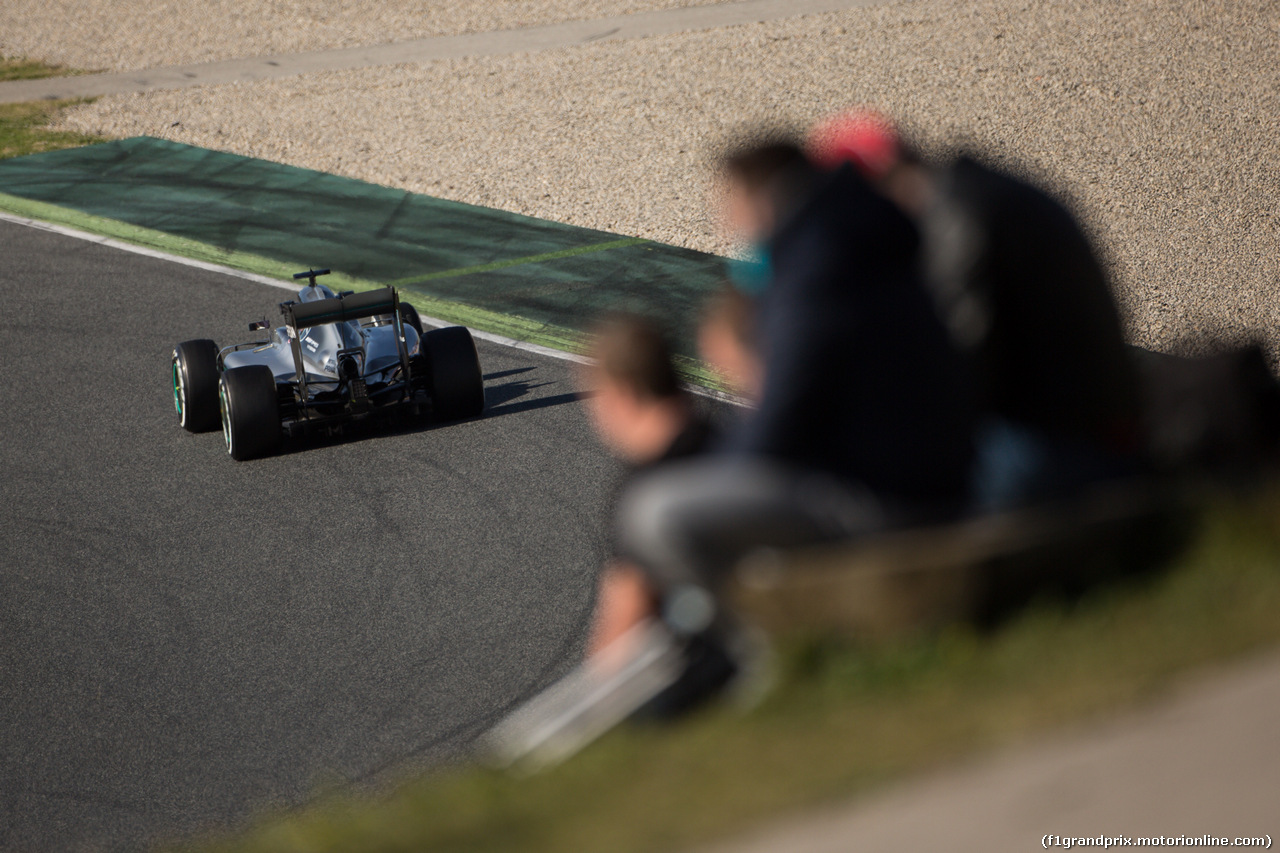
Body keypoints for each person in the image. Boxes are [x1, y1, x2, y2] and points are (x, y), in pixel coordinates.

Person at [614, 136, 976, 634]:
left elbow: (775, 427)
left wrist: (713, 466)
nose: (727, 223)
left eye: (729, 205)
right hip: (928, 469)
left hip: (889, 496)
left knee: (654, 514)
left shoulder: (813, 271)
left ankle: (767, 646)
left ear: (758, 198)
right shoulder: (864, 240)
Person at [808, 110, 1143, 509]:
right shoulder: (971, 193)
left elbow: (959, 363)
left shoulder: (960, 218)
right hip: (1081, 422)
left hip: (1057, 444)